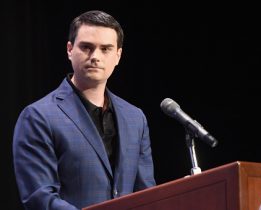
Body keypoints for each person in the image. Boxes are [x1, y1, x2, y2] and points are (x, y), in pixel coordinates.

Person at [13, 10, 156, 210]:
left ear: (118, 55)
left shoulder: (135, 117)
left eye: (105, 49)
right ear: (70, 50)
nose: (95, 56)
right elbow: (40, 198)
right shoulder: (38, 116)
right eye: (87, 47)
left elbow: (146, 193)